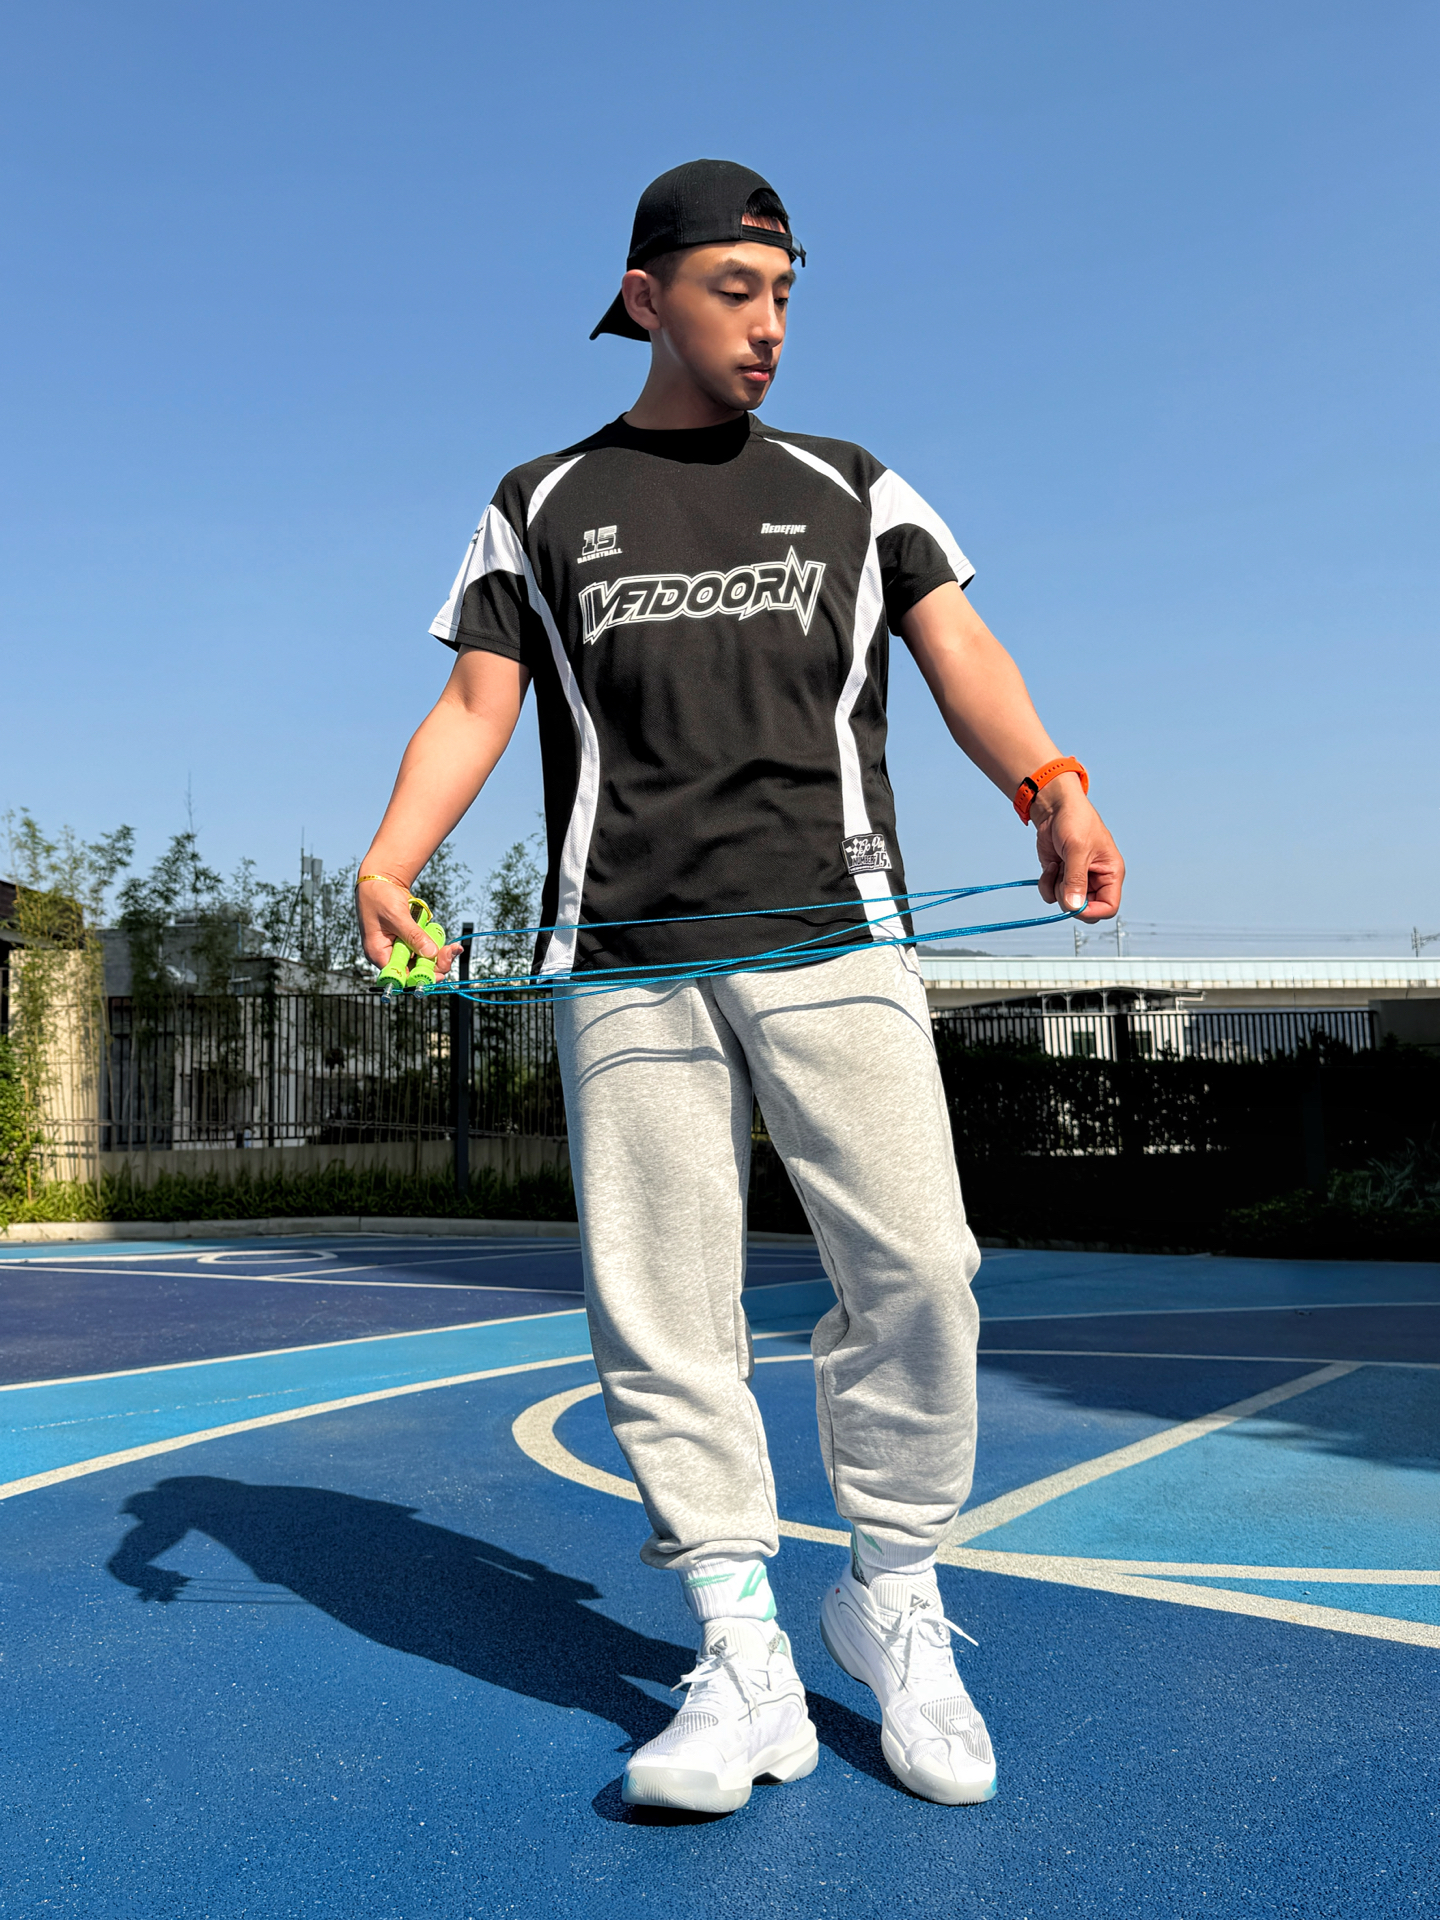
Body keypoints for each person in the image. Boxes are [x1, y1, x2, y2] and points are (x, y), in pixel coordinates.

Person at [357, 159, 1124, 1815]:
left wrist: (1050, 784)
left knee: (922, 1268)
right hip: (625, 956)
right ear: (646, 297)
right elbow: (480, 705)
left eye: (784, 293)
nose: (769, 323)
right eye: (734, 290)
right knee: (662, 1303)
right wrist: (391, 859)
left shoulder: (854, 484)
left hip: (838, 937)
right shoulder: (541, 500)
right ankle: (738, 1651)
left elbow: (960, 649)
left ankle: (891, 1592)